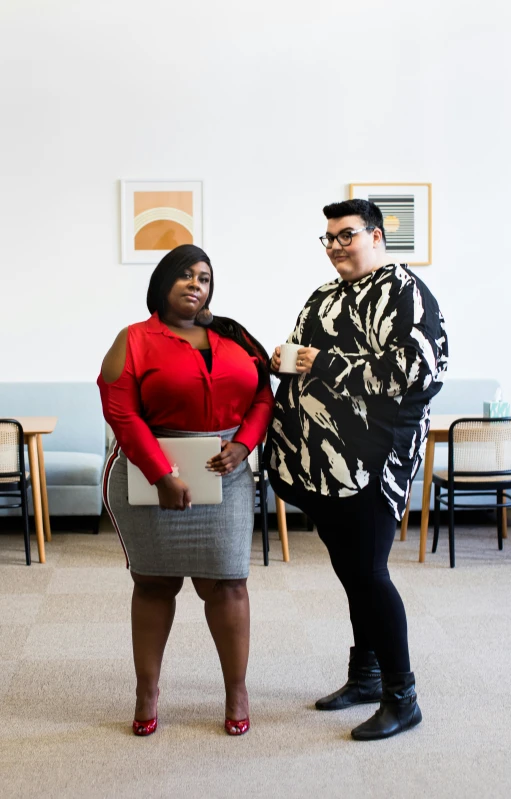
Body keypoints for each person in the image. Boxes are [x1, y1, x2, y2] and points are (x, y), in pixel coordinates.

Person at [265, 199, 448, 741]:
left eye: (347, 235)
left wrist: (321, 364)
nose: (337, 246)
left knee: (369, 573)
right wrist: (283, 360)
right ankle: (365, 675)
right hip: (319, 463)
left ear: (376, 235)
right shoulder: (322, 296)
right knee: (351, 571)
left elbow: (421, 370)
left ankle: (402, 695)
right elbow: (301, 359)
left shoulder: (406, 292)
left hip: (373, 462)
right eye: (329, 238)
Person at [98, 244, 274, 737]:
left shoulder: (233, 336)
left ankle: (236, 691)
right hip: (148, 473)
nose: (197, 284)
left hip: (226, 474)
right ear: (162, 282)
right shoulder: (132, 338)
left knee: (228, 582)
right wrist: (161, 473)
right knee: (154, 583)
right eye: (186, 275)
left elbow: (264, 393)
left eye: (205, 277)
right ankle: (147, 690)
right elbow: (121, 412)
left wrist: (244, 444)